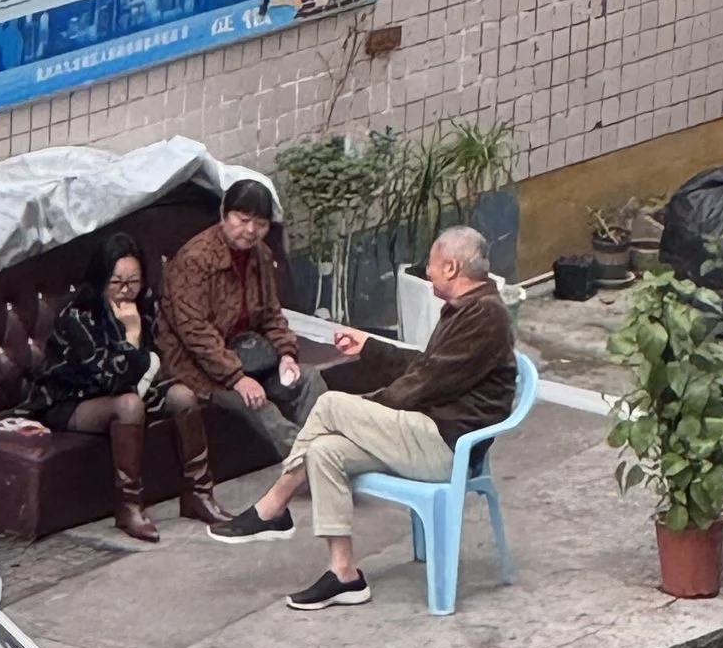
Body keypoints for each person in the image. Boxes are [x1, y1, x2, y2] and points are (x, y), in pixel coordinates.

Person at [208, 224, 518, 610]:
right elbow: (425, 365)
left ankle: (273, 506)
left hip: (447, 446)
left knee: (333, 405)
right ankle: (344, 575)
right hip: (424, 433)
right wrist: (369, 346)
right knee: (326, 451)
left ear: (452, 267)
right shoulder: (464, 309)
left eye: (432, 265)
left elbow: (425, 382)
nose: (428, 272)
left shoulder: (486, 316)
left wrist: (365, 406)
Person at [29, 237, 219, 542]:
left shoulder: (141, 309)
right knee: (129, 405)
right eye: (116, 282)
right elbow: (110, 380)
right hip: (72, 401)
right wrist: (131, 336)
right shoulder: (79, 317)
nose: (125, 290)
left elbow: (151, 365)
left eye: (133, 281)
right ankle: (129, 506)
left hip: (128, 391)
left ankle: (199, 493)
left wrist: (139, 338)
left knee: (183, 396)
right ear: (101, 279)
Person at [157, 179, 322, 467]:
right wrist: (236, 378)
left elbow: (271, 314)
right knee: (259, 404)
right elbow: (194, 332)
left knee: (308, 379)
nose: (250, 231)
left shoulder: (261, 255)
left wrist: (286, 355)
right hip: (201, 369)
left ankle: (326, 451)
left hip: (254, 357)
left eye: (260, 223)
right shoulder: (194, 260)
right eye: (242, 219)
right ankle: (313, 462)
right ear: (224, 214)